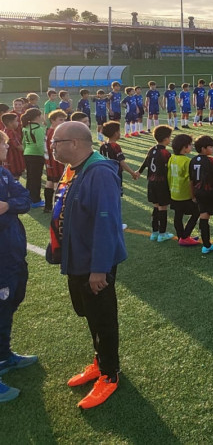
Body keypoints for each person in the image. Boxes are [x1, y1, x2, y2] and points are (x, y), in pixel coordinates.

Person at [51, 121, 126, 409]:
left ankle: (109, 374)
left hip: (95, 263)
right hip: (78, 259)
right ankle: (99, 360)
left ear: (75, 143)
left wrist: (99, 268)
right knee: (90, 314)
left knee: (103, 317)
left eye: (57, 142)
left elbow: (106, 224)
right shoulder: (74, 170)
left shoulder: (100, 173)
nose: (53, 147)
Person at [0, 130, 36, 403]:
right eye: (3, 143)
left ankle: (4, 355)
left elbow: (25, 199)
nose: (7, 146)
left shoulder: (4, 172)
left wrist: (7, 205)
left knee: (11, 301)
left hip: (11, 251)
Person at [137, 125, 174, 242]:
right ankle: (162, 233)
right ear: (165, 139)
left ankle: (154, 232)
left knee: (156, 206)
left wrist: (139, 171)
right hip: (161, 183)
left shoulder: (152, 149)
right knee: (163, 207)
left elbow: (146, 161)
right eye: (169, 137)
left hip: (151, 183)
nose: (170, 139)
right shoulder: (165, 153)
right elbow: (170, 168)